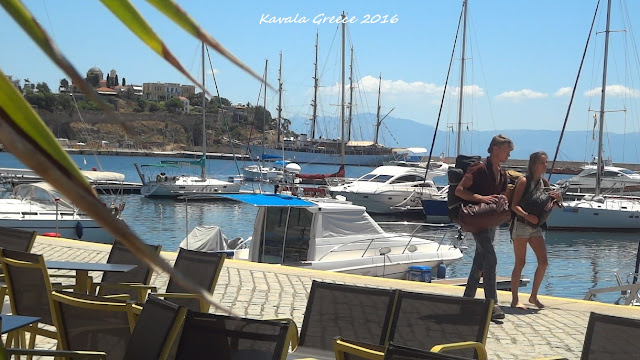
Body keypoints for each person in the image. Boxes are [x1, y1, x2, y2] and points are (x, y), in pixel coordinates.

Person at [455, 134, 514, 321]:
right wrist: (480, 198)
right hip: (476, 219)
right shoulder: (479, 168)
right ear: (495, 149)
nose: (508, 155)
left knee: (479, 262)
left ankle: (467, 302)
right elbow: (460, 190)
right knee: (491, 257)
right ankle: (492, 305)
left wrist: (503, 197)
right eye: (506, 151)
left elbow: (502, 193)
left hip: (491, 221)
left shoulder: (502, 173)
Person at [509, 151, 562, 309]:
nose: (546, 165)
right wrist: (526, 215)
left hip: (535, 227)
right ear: (534, 165)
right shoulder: (524, 182)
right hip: (521, 225)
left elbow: (548, 206)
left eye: (546, 162)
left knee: (543, 262)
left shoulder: (544, 183)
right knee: (520, 262)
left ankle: (533, 297)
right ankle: (515, 299)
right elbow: (514, 205)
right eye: (542, 162)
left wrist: (558, 200)